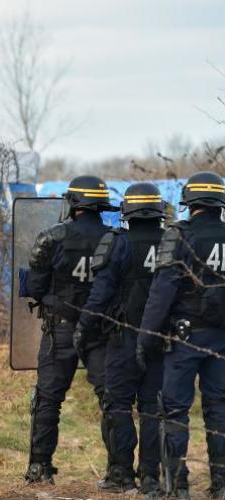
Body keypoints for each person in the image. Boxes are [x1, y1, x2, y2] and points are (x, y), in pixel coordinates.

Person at [23, 175, 117, 484]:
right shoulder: (115, 238)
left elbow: (34, 288)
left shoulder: (52, 237)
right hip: (101, 330)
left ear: (74, 204)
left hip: (60, 328)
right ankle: (118, 470)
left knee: (48, 399)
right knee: (111, 399)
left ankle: (39, 467)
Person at [75, 182, 167, 496]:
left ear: (127, 210)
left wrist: (83, 327)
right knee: (153, 409)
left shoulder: (117, 242)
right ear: (158, 210)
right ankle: (152, 477)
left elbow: (100, 294)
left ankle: (122, 475)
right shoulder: (173, 242)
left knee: (119, 407)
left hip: (124, 338)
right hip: (160, 340)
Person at [138, 171, 225, 499]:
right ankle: (221, 485)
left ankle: (178, 485)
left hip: (185, 339)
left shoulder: (179, 236)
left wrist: (145, 338)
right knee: (219, 409)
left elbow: (161, 293)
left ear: (189, 202)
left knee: (174, 410)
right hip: (221, 340)